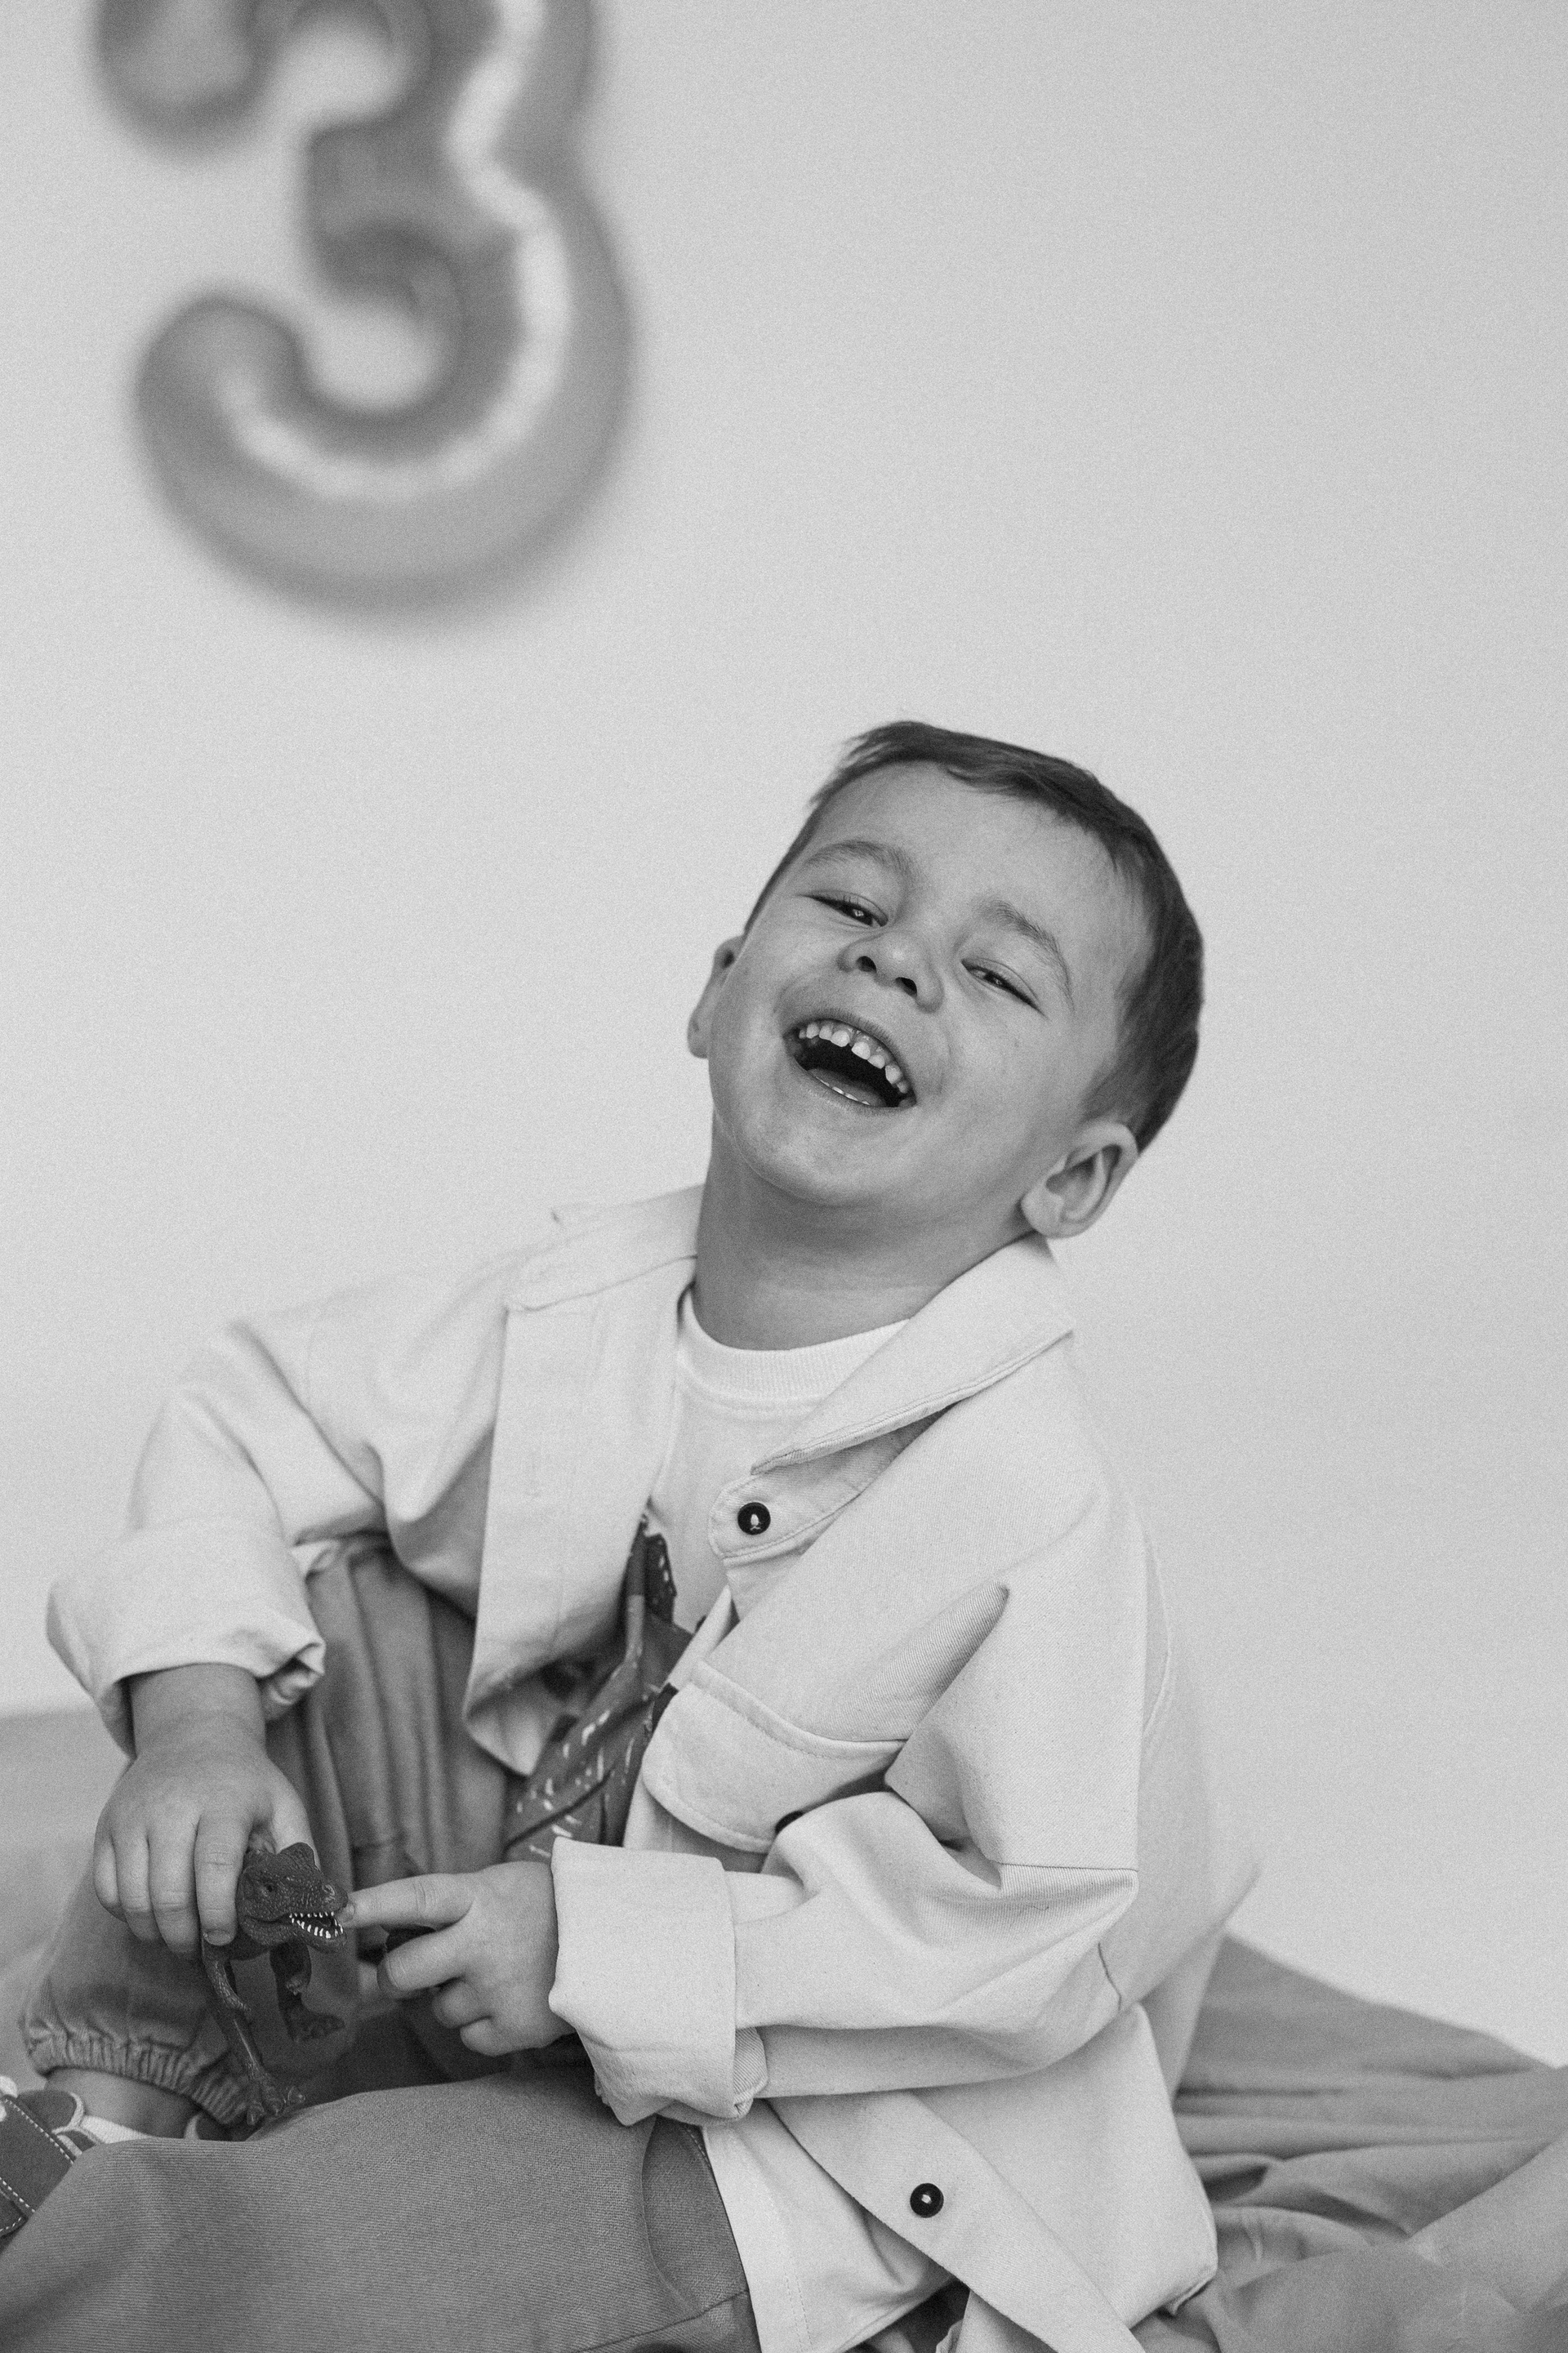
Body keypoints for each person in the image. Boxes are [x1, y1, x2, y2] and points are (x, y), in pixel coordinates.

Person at [1, 723, 1251, 2353]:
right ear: (718, 993)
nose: (896, 963)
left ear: (1073, 1177)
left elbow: (1026, 1931)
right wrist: (195, 1728)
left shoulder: (1034, 1507)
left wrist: (598, 1948)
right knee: (338, 1616)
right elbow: (252, 1414)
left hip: (800, 2116)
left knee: (341, 2244)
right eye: (853, 904)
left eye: (997, 975)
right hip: (528, 1886)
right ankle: (100, 2113)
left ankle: (148, 2258)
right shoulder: (580, 1304)